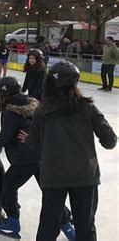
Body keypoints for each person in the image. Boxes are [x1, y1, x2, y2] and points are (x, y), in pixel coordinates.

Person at [20, 61, 117, 241]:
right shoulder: (87, 107)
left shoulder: (42, 111)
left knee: (48, 226)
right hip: (85, 175)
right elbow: (110, 140)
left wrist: (31, 140)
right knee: (85, 227)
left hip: (54, 176)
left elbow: (33, 145)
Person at [0, 77, 75, 239]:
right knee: (49, 192)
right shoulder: (32, 104)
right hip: (40, 155)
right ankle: (68, 226)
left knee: (7, 188)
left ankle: (12, 223)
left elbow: (4, 139)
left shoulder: (10, 111)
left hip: (24, 158)